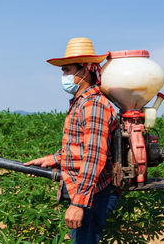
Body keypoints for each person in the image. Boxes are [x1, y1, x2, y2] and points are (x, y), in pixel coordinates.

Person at [24, 37, 119, 243]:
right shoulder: (81, 102)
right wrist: (53, 158)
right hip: (88, 195)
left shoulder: (93, 105)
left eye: (67, 70)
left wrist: (79, 204)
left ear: (84, 70)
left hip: (93, 196)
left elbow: (94, 157)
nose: (64, 75)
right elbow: (81, 147)